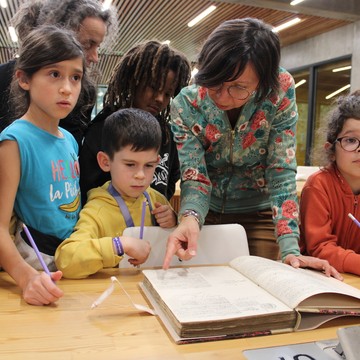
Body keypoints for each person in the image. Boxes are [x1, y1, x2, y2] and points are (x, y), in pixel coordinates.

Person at [162, 17, 342, 280]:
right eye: (215, 84)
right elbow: (195, 176)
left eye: (238, 88)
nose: (223, 97)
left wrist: (290, 248)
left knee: (267, 287)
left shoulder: (279, 92)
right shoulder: (186, 104)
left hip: (259, 211)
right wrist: (189, 217)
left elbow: (280, 171)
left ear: (263, 81)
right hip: (205, 212)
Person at [0, 25, 89, 305]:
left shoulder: (71, 141)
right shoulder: (14, 141)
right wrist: (26, 277)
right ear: (24, 79)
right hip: (35, 263)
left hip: (72, 258)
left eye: (75, 77)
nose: (67, 88)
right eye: (54, 74)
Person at [55, 108, 177, 279]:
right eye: (130, 164)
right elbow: (66, 260)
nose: (141, 175)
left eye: (149, 165)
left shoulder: (156, 199)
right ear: (105, 162)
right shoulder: (97, 210)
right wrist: (119, 245)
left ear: (157, 162)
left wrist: (173, 220)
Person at [79, 40, 191, 204]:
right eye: (153, 87)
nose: (159, 98)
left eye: (167, 93)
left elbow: (171, 178)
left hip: (153, 226)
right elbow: (87, 185)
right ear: (134, 81)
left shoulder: (167, 134)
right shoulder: (103, 128)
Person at [0, 0, 117, 146]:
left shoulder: (85, 93)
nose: (95, 57)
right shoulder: (4, 76)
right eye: (87, 44)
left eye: (98, 47)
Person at [299, 91, 360, 275]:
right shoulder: (318, 185)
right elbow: (320, 248)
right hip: (317, 278)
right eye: (351, 140)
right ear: (331, 149)